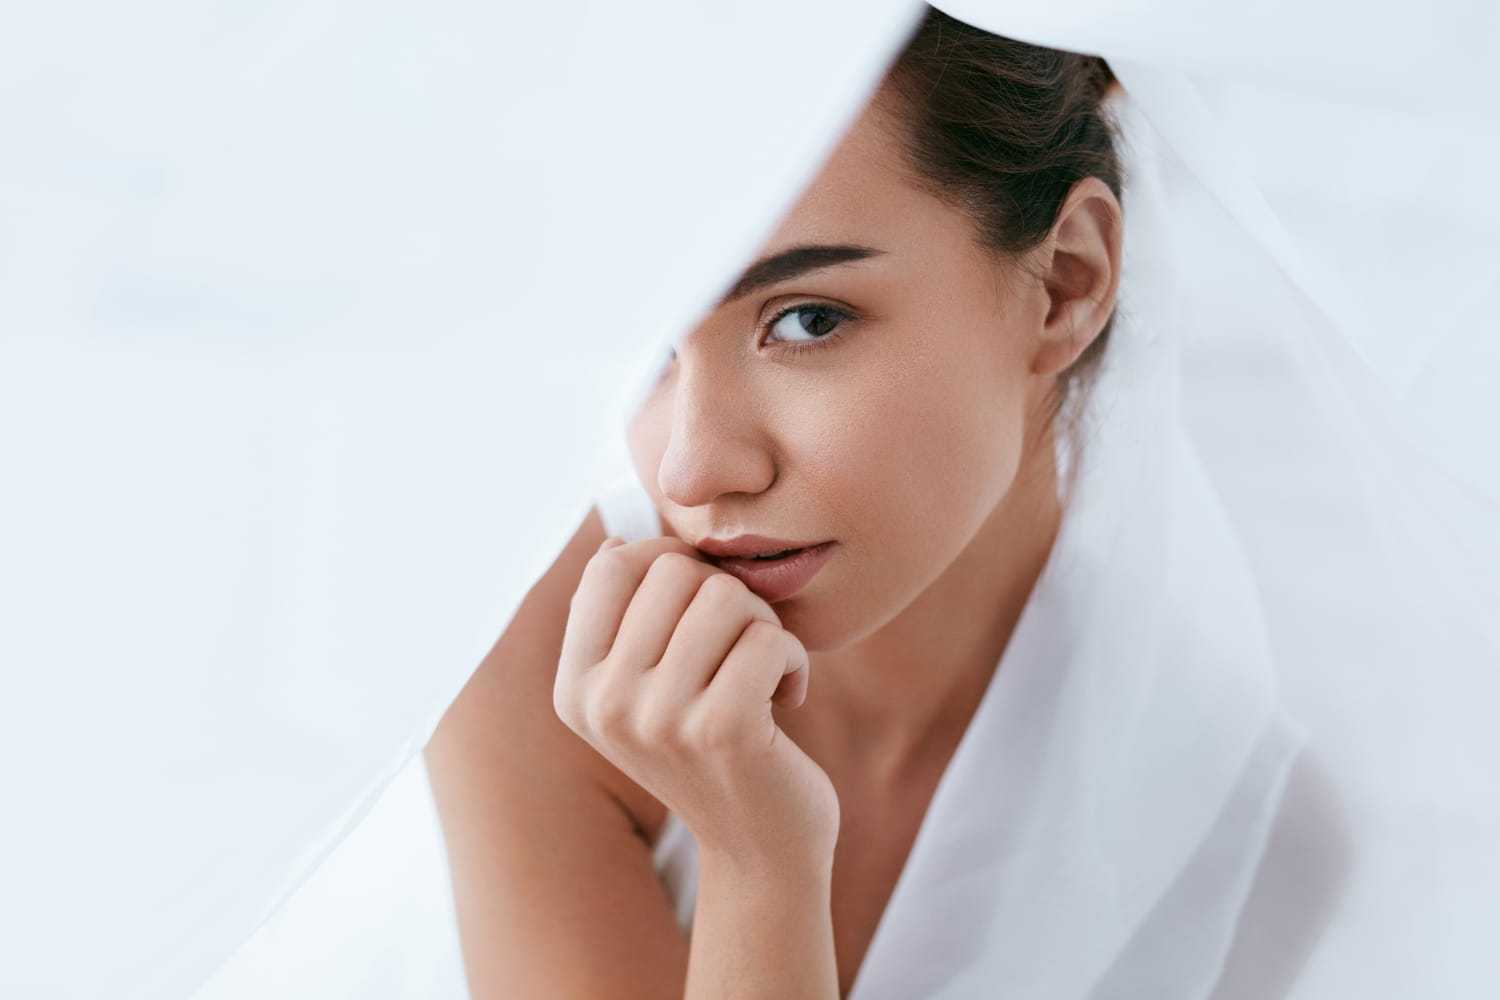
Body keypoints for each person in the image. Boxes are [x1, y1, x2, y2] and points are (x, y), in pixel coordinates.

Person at [424, 9, 1135, 998]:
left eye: (804, 320)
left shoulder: (1218, 802)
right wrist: (758, 864)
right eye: (645, 347)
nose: (689, 469)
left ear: (1066, 282)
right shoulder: (537, 664)